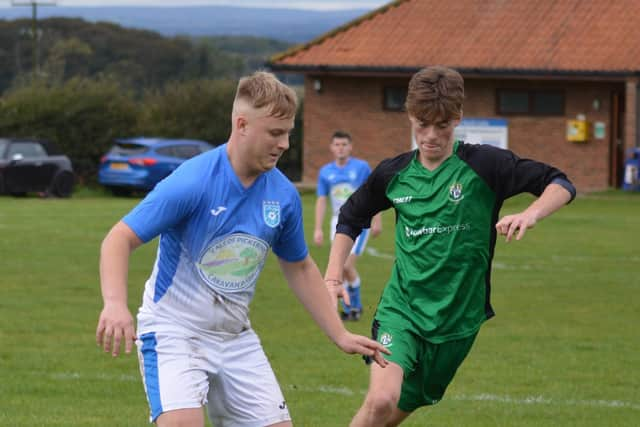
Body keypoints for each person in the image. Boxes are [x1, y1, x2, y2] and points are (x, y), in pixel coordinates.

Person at [95, 71, 389, 427]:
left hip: (235, 338)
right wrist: (114, 303)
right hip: (175, 330)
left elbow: (299, 267)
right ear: (242, 124)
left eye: (288, 134)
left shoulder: (282, 195)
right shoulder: (193, 181)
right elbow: (119, 238)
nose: (284, 145)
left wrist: (339, 334)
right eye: (275, 133)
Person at [323, 66, 576, 426]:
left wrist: (531, 214)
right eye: (422, 124)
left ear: (457, 118)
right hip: (403, 310)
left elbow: (559, 183)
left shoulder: (485, 165)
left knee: (391, 415)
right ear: (411, 117)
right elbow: (351, 217)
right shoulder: (393, 174)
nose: (430, 136)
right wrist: (333, 276)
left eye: (441, 125)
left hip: (458, 320)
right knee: (380, 400)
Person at [314, 131, 382, 321]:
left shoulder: (361, 168)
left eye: (344, 144)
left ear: (350, 147)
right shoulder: (325, 172)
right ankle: (351, 309)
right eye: (337, 144)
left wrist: (377, 220)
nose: (340, 148)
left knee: (345, 265)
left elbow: (374, 195)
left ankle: (354, 308)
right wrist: (318, 228)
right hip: (337, 222)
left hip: (360, 221)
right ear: (331, 148)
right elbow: (321, 200)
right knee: (341, 267)